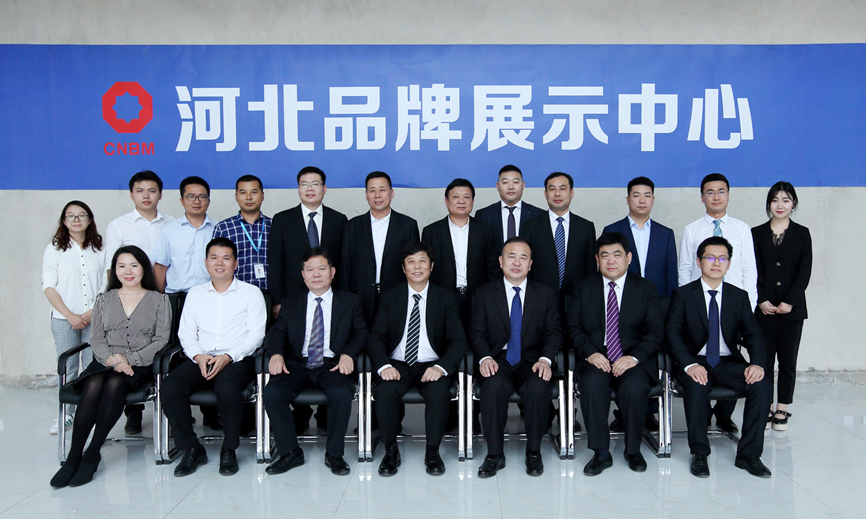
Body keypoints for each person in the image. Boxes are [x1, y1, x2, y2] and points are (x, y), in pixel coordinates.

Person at [50, 246, 171, 488]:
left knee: (115, 383)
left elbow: (161, 340)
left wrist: (129, 360)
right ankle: (74, 456)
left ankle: (92, 452)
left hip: (139, 365)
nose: (128, 271)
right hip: (104, 362)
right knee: (95, 382)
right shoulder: (104, 300)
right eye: (121, 266)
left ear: (143, 269)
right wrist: (113, 360)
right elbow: (96, 339)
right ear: (114, 270)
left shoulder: (159, 300)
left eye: (134, 265)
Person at [160, 238, 267, 477]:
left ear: (236, 264)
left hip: (237, 358)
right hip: (201, 357)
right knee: (170, 388)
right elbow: (186, 333)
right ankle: (191, 448)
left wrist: (229, 356)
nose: (220, 263)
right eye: (214, 258)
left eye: (226, 258)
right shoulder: (195, 294)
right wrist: (198, 355)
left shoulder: (251, 293)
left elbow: (256, 335)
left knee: (227, 388)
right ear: (206, 263)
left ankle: (229, 449)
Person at [666, 236, 770, 478]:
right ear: (698, 261)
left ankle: (749, 455)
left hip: (728, 362)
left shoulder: (738, 296)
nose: (716, 263)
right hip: (695, 360)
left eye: (722, 258)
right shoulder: (683, 295)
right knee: (697, 385)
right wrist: (689, 364)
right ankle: (699, 453)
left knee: (762, 383)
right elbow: (672, 335)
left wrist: (757, 363)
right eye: (710, 257)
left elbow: (753, 334)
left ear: (729, 264)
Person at [262, 248, 368, 476]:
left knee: (341, 393)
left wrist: (348, 354)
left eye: (322, 268)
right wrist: (276, 354)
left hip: (333, 363)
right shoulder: (292, 302)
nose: (316, 274)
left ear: (332, 272)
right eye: (310, 270)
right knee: (272, 392)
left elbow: (361, 332)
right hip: (298, 363)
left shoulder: (350, 301)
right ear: (303, 275)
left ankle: (334, 455)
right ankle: (290, 452)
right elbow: (276, 333)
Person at [565, 233, 663, 476]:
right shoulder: (582, 288)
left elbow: (655, 332)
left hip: (632, 358)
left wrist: (633, 358)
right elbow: (572, 328)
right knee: (592, 383)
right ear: (597, 259)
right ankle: (601, 452)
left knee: (634, 386)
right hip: (596, 357)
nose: (611, 261)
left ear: (628, 258)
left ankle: (633, 449)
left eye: (617, 255)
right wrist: (590, 353)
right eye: (605, 255)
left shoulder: (646, 289)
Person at [368, 241, 467, 477]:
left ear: (431, 266)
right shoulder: (391, 297)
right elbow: (375, 336)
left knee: (439, 392)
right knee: (385, 390)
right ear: (404, 269)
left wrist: (441, 367)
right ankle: (390, 450)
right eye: (411, 262)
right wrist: (384, 365)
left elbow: (458, 340)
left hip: (432, 363)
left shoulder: (445, 297)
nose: (417, 267)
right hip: (397, 364)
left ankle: (433, 451)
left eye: (422, 261)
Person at [470, 237, 562, 478]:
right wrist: (484, 358)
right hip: (497, 359)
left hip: (532, 360)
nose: (517, 262)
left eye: (523, 258)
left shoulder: (545, 294)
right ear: (501, 261)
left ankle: (534, 452)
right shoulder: (484, 294)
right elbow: (477, 333)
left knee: (538, 387)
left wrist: (546, 360)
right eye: (511, 256)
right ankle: (494, 454)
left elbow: (554, 332)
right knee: (493, 386)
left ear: (530, 264)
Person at [268, 166, 348, 433]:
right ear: (298, 188)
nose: (310, 188)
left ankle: (326, 414)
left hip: (329, 300)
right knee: (296, 355)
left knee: (328, 356)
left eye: (315, 184)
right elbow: (275, 263)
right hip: (293, 303)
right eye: (304, 184)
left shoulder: (339, 219)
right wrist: (277, 301)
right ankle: (300, 413)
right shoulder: (282, 219)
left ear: (325, 188)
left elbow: (343, 264)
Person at [677, 173, 757, 432]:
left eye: (721, 191)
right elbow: (685, 269)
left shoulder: (742, 229)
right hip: (699, 304)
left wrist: (748, 309)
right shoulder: (692, 230)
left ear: (728, 195)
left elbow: (749, 270)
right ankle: (702, 419)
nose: (716, 197)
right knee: (705, 359)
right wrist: (688, 304)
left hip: (734, 307)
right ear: (702, 197)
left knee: (731, 356)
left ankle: (724, 415)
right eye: (710, 192)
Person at [602, 176, 677, 433]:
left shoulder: (665, 234)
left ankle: (649, 413)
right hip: (621, 308)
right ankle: (623, 413)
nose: (641, 200)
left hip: (656, 308)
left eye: (647, 195)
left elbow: (671, 277)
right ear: (628, 199)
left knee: (648, 360)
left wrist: (669, 310)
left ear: (653, 199)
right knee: (620, 358)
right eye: (636, 195)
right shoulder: (612, 230)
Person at [103, 170, 174, 434]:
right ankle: (133, 413)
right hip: (130, 299)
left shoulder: (172, 224)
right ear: (131, 194)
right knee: (129, 346)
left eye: (152, 191)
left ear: (160, 194)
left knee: (165, 351)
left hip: (164, 297)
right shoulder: (119, 225)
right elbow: (113, 268)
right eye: (140, 191)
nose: (146, 196)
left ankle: (171, 411)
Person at [752, 182, 812, 431]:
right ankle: (765, 405)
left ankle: (782, 408)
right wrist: (760, 299)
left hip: (792, 310)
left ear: (793, 203)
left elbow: (804, 271)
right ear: (768, 203)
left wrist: (790, 301)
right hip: (763, 308)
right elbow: (751, 269)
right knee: (764, 361)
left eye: (786, 200)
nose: (780, 205)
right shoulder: (756, 233)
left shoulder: (802, 233)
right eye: (775, 200)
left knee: (788, 362)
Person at [42, 201, 105, 435]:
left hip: (94, 317)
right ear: (64, 221)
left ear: (89, 219)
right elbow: (48, 286)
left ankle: (87, 414)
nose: (77, 220)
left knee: (91, 367)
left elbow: (107, 284)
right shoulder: (54, 249)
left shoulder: (100, 249)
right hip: (64, 318)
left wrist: (90, 313)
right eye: (71, 216)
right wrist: (70, 315)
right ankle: (65, 415)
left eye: (82, 215)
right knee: (68, 367)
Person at [341, 171, 420, 325]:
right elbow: (345, 265)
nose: (377, 195)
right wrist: (346, 298)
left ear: (392, 193)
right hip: (360, 298)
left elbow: (413, 265)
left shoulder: (407, 225)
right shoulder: (352, 226)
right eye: (372, 190)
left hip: (396, 296)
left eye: (382, 190)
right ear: (366, 195)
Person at [421, 178, 499, 331]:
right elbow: (428, 270)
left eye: (466, 197)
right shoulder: (432, 232)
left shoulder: (485, 230)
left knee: (477, 337)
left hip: (478, 298)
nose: (461, 201)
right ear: (446, 201)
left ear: (473, 201)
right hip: (444, 298)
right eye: (456, 197)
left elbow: (493, 269)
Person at [520, 172, 596, 302]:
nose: (557, 194)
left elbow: (591, 269)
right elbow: (526, 265)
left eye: (562, 189)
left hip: (577, 300)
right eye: (552, 189)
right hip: (539, 299)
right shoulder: (530, 227)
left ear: (571, 193)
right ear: (545, 194)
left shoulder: (585, 227)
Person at [152, 176, 216, 294]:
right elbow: (160, 267)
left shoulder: (219, 229)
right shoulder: (169, 230)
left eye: (202, 197)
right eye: (191, 197)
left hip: (211, 295)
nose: (196, 201)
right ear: (182, 201)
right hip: (177, 297)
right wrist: (158, 299)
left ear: (208, 201)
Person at [212, 175, 272, 292]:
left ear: (262, 195)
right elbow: (215, 265)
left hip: (270, 293)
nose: (249, 197)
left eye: (254, 192)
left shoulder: (274, 226)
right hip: (235, 294)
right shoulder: (224, 228)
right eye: (243, 193)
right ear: (236, 196)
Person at [475, 165, 544, 247]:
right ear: (497, 186)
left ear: (523, 185)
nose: (510, 187)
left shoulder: (538, 215)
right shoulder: (483, 215)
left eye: (515, 182)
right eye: (505, 182)